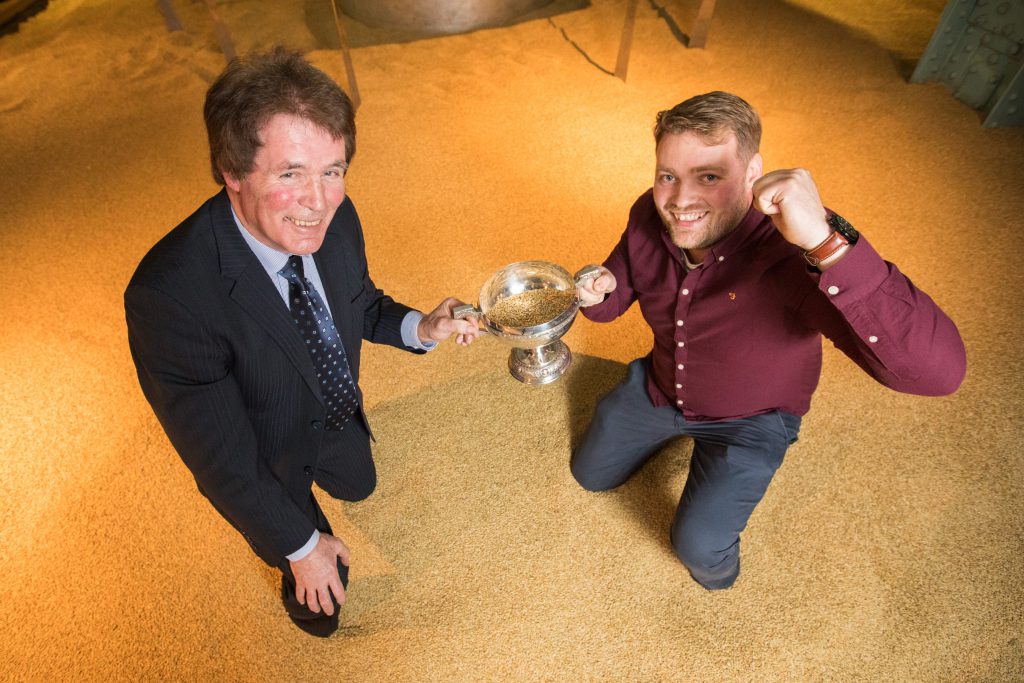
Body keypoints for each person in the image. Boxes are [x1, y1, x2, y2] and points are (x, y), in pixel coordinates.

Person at [124, 47, 479, 637]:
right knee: (318, 597)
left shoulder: (336, 217)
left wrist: (422, 327)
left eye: (332, 171)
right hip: (262, 447)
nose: (320, 202)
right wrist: (299, 545)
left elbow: (357, 302)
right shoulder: (170, 296)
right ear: (232, 172)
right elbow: (223, 462)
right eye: (290, 174)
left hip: (330, 407)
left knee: (359, 482)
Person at [573, 91, 966, 590]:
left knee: (698, 548)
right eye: (668, 175)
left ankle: (716, 563)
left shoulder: (798, 250)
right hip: (658, 385)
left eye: (709, 177)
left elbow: (939, 375)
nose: (679, 201)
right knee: (589, 474)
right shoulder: (650, 214)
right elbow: (616, 294)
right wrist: (599, 287)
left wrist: (825, 242)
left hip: (753, 419)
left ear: (753, 171)